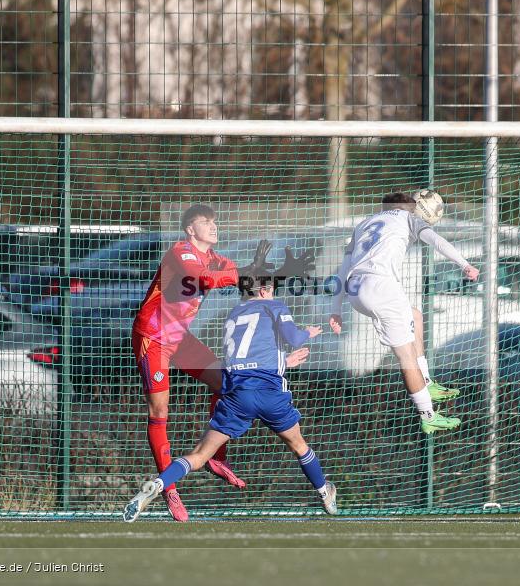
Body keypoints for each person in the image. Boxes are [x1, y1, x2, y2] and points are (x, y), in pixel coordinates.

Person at [131, 204, 313, 521]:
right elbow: (200, 279)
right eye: (206, 222)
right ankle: (169, 492)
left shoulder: (218, 259)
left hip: (179, 339)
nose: (214, 226)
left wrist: (284, 270)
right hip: (154, 337)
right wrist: (242, 271)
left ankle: (215, 457)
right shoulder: (180, 251)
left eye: (215, 221)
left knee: (227, 383)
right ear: (190, 229)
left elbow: (247, 280)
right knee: (160, 411)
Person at [124, 278, 337, 522]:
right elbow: (294, 339)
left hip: (238, 396)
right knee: (299, 446)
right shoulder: (275, 306)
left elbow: (245, 357)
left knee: (199, 455)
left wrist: (283, 361)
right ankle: (324, 491)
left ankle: (160, 483)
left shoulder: (233, 314)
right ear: (266, 291)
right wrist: (307, 332)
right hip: (269, 393)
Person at [328, 192, 479, 434]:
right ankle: (428, 415)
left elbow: (343, 269)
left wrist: (336, 310)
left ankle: (427, 383)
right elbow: (437, 241)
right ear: (413, 209)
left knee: (415, 316)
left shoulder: (364, 224)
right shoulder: (408, 218)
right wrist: (465, 264)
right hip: (381, 288)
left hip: (355, 290)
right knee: (406, 356)